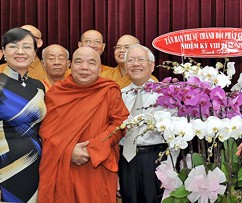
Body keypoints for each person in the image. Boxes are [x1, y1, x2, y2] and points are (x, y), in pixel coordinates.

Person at [38, 47, 129, 203]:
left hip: (96, 165)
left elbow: (120, 124)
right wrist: (68, 150)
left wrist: (93, 148)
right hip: (62, 165)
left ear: (99, 68)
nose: (84, 67)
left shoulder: (109, 90)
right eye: (78, 62)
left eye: (91, 63)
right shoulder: (56, 93)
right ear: (71, 65)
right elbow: (46, 131)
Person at [0, 27, 46, 202]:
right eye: (13, 46)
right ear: (3, 51)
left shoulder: (39, 86)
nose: (20, 52)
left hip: (36, 165)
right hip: (5, 168)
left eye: (27, 47)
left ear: (35, 53)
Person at [119, 44, 167, 203]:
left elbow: (175, 135)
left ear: (152, 65)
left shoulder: (166, 94)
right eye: (130, 60)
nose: (136, 64)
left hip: (155, 159)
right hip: (125, 161)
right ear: (125, 67)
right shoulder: (118, 95)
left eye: (141, 60)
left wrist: (170, 170)